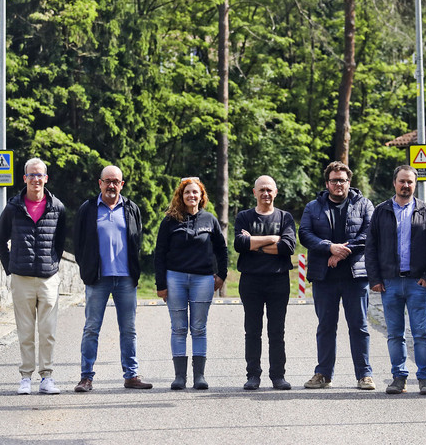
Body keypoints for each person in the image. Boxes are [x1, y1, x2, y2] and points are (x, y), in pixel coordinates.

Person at [72, 165, 152, 392]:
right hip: (98, 279)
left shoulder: (131, 208)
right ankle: (86, 377)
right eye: (107, 181)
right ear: (100, 183)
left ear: (122, 184)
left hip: (125, 279)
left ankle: (131, 375)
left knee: (129, 329)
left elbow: (137, 240)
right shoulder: (88, 209)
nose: (111, 185)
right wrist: (87, 268)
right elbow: (78, 243)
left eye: (116, 181)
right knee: (91, 329)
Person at [299, 161, 375, 390]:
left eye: (342, 180)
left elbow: (369, 234)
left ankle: (364, 375)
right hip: (324, 276)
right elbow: (304, 234)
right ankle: (323, 374)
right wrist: (328, 247)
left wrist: (341, 253)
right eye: (334, 180)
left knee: (359, 326)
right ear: (327, 183)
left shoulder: (364, 204)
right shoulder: (313, 207)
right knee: (325, 326)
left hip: (355, 276)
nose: (338, 184)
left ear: (349, 182)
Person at [0, 158, 68, 395]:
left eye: (40, 175)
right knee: (25, 331)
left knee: (48, 332)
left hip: (48, 279)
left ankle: (47, 377)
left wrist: (52, 264)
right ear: (24, 178)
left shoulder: (57, 207)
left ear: (46, 179)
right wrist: (11, 268)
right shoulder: (13, 207)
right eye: (31, 175)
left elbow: (60, 241)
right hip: (22, 278)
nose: (36, 179)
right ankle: (25, 377)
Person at [365, 165, 426, 395]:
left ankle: (425, 378)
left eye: (410, 182)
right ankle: (399, 377)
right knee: (395, 333)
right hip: (390, 283)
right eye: (402, 181)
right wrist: (375, 278)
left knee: (421, 332)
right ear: (394, 183)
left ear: (415, 184)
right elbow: (371, 247)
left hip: (418, 282)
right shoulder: (381, 211)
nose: (406, 185)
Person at [154, 177, 228, 390]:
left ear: (201, 196)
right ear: (181, 196)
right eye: (187, 192)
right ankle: (179, 377)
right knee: (178, 328)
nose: (191, 196)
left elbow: (221, 250)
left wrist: (221, 276)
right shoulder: (170, 220)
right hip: (174, 278)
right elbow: (159, 253)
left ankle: (199, 376)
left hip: (203, 280)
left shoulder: (210, 220)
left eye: (195, 192)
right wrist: (161, 284)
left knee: (199, 328)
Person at [233, 175, 296, 391]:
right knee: (252, 330)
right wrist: (273, 239)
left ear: (276, 192)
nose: (266, 193)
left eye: (269, 190)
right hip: (250, 280)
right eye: (261, 190)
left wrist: (255, 243)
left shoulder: (285, 217)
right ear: (254, 192)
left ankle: (278, 376)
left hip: (278, 280)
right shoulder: (244, 216)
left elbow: (288, 247)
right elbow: (240, 244)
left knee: (277, 331)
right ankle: (253, 376)